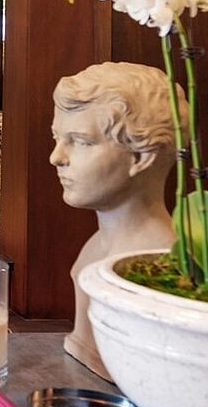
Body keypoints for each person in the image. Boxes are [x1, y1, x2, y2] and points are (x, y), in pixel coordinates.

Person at [51, 62, 187, 379]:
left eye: (81, 141)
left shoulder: (159, 266)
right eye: (57, 137)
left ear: (140, 157)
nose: (56, 157)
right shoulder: (96, 248)